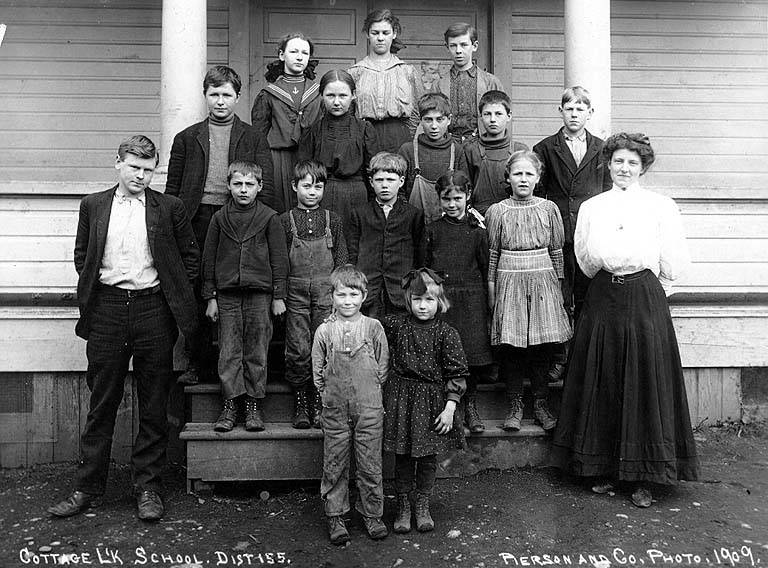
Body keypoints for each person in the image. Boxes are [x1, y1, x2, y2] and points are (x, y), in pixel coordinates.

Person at [48, 135, 199, 521]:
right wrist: (98, 299)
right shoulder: (93, 205)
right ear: (117, 163)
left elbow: (190, 259)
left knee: (153, 405)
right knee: (102, 402)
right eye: (134, 167)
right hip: (108, 309)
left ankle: (148, 489)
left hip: (153, 309)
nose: (141, 176)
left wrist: (170, 302)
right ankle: (87, 487)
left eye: (149, 170)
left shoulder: (170, 208)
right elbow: (84, 256)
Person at [550, 133, 699, 508]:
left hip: (644, 296)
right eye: (618, 161)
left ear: (642, 167)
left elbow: (674, 260)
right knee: (604, 376)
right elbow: (584, 258)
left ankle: (644, 477)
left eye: (632, 163)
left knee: (643, 380)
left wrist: (650, 292)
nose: (624, 168)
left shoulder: (660, 206)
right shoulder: (593, 207)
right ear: (608, 164)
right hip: (603, 296)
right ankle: (600, 468)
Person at [166, 65, 275, 386]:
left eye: (227, 95)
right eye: (214, 94)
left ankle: (244, 367)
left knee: (234, 288)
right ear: (205, 96)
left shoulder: (253, 137)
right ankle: (197, 362)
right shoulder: (186, 138)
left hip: (237, 218)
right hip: (197, 219)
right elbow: (173, 191)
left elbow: (264, 187)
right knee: (198, 288)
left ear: (237, 97)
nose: (220, 101)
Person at [485, 151, 571, 433]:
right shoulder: (497, 211)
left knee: (541, 346)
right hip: (509, 279)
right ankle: (514, 405)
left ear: (538, 177)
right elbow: (493, 254)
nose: (523, 179)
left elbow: (557, 251)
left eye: (528, 174)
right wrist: (492, 291)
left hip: (543, 280)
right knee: (512, 347)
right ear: (508, 177)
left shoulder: (549, 209)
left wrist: (558, 288)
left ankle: (541, 405)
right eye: (517, 174)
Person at [201, 161, 288, 433]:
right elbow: (209, 259)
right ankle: (231, 403)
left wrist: (278, 296)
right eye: (237, 184)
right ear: (228, 186)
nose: (243, 190)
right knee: (229, 350)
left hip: (260, 296)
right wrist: (210, 296)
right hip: (227, 295)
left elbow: (280, 259)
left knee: (257, 349)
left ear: (260, 187)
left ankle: (253, 404)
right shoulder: (219, 219)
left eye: (250, 184)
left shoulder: (269, 218)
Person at [533, 86, 611, 381]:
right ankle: (560, 357)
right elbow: (539, 194)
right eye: (569, 108)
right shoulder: (545, 149)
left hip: (590, 236)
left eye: (581, 108)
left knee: (588, 298)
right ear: (560, 111)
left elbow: (607, 193)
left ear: (590, 113)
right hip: (558, 237)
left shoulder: (603, 150)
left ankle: (585, 359)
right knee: (559, 298)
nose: (574, 113)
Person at [383, 268, 468, 534]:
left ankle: (422, 504)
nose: (422, 306)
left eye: (429, 300)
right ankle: (403, 506)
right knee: (404, 456)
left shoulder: (447, 333)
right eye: (417, 299)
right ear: (408, 300)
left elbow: (457, 373)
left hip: (432, 401)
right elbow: (369, 327)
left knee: (427, 456)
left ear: (439, 302)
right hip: (401, 399)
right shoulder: (396, 326)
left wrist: (450, 408)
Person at [312, 265, 389, 544]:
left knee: (370, 463)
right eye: (341, 294)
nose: (348, 301)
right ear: (332, 296)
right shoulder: (324, 331)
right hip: (334, 408)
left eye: (353, 295)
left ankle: (372, 514)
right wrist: (329, 397)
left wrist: (370, 393)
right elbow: (318, 372)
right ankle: (336, 516)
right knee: (335, 463)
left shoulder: (373, 327)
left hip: (368, 406)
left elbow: (382, 367)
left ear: (364, 295)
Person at [280, 160, 348, 429]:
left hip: (326, 296)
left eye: (318, 186)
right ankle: (301, 403)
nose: (312, 192)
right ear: (294, 186)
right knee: (298, 349)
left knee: (326, 348)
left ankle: (321, 402)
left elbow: (342, 260)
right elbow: (279, 261)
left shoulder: (334, 220)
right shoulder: (285, 221)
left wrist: (341, 296)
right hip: (295, 295)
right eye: (306, 186)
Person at [424, 171, 492, 433]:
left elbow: (485, 267)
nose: (452, 204)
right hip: (445, 301)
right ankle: (453, 407)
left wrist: (486, 301)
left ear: (468, 196)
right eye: (446, 199)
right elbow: (425, 267)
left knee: (470, 354)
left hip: (472, 299)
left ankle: (470, 405)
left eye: (458, 198)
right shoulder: (433, 230)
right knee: (447, 353)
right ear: (439, 199)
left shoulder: (477, 232)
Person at [298, 69, 379, 234]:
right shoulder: (313, 131)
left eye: (342, 96)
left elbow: (373, 171)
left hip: (358, 196)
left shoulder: (365, 129)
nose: (336, 102)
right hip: (323, 196)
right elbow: (304, 172)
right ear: (321, 95)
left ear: (353, 95)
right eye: (330, 95)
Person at [252, 33, 323, 214]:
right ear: (282, 55)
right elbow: (259, 135)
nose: (299, 57)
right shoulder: (269, 93)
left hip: (310, 157)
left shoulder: (318, 93)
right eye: (293, 51)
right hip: (279, 160)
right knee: (280, 207)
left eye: (305, 53)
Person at [347, 152, 424, 319]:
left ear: (401, 182)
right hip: (369, 289)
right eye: (379, 180)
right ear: (371, 182)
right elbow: (352, 252)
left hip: (400, 289)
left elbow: (419, 254)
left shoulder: (413, 215)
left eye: (390, 180)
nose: (384, 185)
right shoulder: (360, 214)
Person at [348, 9, 419, 152]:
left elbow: (416, 113)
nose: (380, 38)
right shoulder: (355, 72)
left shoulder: (407, 71)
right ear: (367, 34)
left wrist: (407, 139)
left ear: (394, 34)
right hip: (364, 135)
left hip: (399, 137)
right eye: (375, 33)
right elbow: (349, 113)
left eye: (385, 33)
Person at [458, 90, 528, 215]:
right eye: (487, 114)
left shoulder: (520, 150)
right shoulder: (470, 149)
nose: (492, 119)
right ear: (480, 116)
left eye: (498, 114)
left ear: (509, 116)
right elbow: (464, 189)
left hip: (514, 215)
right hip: (479, 216)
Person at [436, 22, 505, 142]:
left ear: (475, 46)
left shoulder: (490, 82)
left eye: (463, 45)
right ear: (447, 47)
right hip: (448, 144)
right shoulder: (439, 84)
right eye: (453, 45)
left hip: (482, 144)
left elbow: (502, 117)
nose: (458, 51)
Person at [398, 92, 458, 224]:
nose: (434, 126)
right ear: (420, 120)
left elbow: (463, 189)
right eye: (428, 119)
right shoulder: (408, 150)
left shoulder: (456, 150)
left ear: (449, 119)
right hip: (413, 223)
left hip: (447, 224)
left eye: (439, 119)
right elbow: (399, 191)